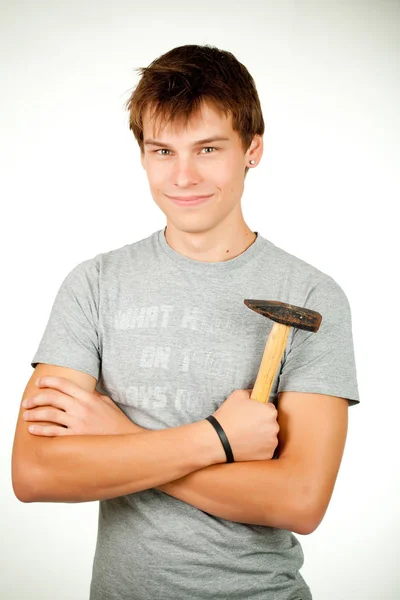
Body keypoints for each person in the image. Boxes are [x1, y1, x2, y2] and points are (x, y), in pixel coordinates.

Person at [12, 44, 360, 600]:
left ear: (252, 148)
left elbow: (300, 501)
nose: (183, 176)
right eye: (162, 151)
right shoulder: (95, 285)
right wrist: (217, 438)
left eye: (208, 148)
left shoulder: (312, 296)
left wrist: (121, 437)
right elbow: (35, 474)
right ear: (143, 155)